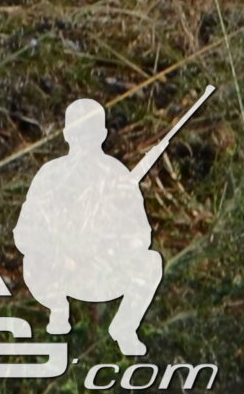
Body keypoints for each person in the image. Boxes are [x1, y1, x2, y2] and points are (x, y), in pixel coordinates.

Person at [17, 95, 175, 355]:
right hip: (61, 272)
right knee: (32, 261)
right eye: (79, 133)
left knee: (151, 262)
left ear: (102, 134)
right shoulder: (50, 176)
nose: (83, 141)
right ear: (67, 134)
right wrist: (60, 249)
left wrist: (112, 235)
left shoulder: (117, 176)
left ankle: (124, 327)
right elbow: (24, 234)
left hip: (102, 272)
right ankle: (58, 311)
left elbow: (142, 237)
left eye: (88, 134)